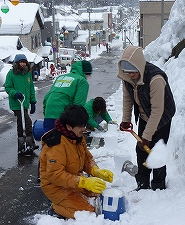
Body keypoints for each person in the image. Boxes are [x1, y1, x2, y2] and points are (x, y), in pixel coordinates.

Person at [39, 104, 113, 219]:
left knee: (99, 196)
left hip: (74, 181)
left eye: (84, 125)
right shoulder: (56, 145)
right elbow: (55, 175)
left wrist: (96, 171)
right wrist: (83, 182)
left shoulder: (77, 137)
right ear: (69, 127)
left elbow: (87, 159)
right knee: (89, 212)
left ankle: (74, 197)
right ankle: (55, 206)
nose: (84, 129)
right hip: (57, 188)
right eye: (81, 126)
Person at [117, 46, 176, 191]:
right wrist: (126, 119)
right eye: (127, 72)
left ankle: (158, 184)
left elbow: (157, 110)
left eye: (133, 72)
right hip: (144, 115)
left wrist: (147, 136)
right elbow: (127, 98)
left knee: (156, 151)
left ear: (139, 65)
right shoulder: (127, 78)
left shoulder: (155, 78)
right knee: (142, 149)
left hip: (162, 117)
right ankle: (142, 183)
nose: (130, 75)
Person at [43, 60, 92, 132]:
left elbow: (47, 97)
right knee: (65, 142)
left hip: (49, 113)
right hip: (64, 117)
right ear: (86, 73)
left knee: (49, 140)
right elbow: (78, 105)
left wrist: (47, 113)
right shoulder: (82, 81)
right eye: (89, 75)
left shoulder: (61, 77)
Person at [4, 54, 38, 154]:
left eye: (24, 62)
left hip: (25, 103)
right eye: (20, 62)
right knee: (27, 122)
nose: (22, 64)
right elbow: (8, 87)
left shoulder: (27, 74)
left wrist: (33, 101)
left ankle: (23, 143)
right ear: (16, 63)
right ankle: (29, 143)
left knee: (21, 122)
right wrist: (15, 93)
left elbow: (31, 88)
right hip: (17, 103)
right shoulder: (11, 74)